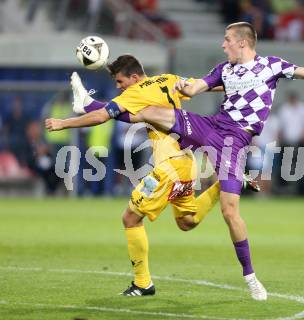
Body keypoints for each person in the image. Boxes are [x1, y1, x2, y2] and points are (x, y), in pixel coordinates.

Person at [48, 21, 304, 300]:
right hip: (210, 125)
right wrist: (189, 86)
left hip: (232, 141)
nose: (223, 44)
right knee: (151, 120)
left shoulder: (270, 66)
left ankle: (250, 276)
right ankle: (90, 103)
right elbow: (197, 86)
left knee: (228, 211)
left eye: (227, 39)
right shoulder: (218, 69)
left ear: (242, 41)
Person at [46, 57, 258, 298]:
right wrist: (239, 85)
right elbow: (203, 85)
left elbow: (103, 117)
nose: (119, 86)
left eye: (120, 81)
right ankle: (226, 185)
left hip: (168, 168)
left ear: (134, 77)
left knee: (130, 218)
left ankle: (142, 283)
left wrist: (64, 123)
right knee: (187, 221)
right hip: (186, 164)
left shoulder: (135, 92)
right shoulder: (167, 79)